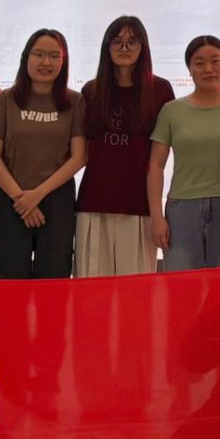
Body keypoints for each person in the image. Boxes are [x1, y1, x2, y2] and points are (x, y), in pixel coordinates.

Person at [0, 29, 87, 279]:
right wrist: (22, 200)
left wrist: (36, 196)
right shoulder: (6, 100)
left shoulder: (75, 102)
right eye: (38, 54)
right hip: (11, 199)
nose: (46, 62)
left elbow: (79, 157)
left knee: (53, 281)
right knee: (9, 281)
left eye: (54, 56)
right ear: (26, 57)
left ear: (63, 61)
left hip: (56, 201)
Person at [76, 16, 176, 277]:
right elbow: (82, 151)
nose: (124, 48)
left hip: (138, 206)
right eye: (117, 41)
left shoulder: (160, 90)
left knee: (136, 291)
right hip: (94, 203)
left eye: (132, 41)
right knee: (92, 288)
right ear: (106, 47)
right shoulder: (91, 91)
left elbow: (158, 160)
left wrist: (158, 215)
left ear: (143, 47)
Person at [151, 35, 220, 272]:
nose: (208, 69)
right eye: (199, 63)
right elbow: (155, 166)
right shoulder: (172, 111)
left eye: (215, 61)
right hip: (182, 209)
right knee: (181, 284)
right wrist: (157, 217)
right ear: (189, 69)